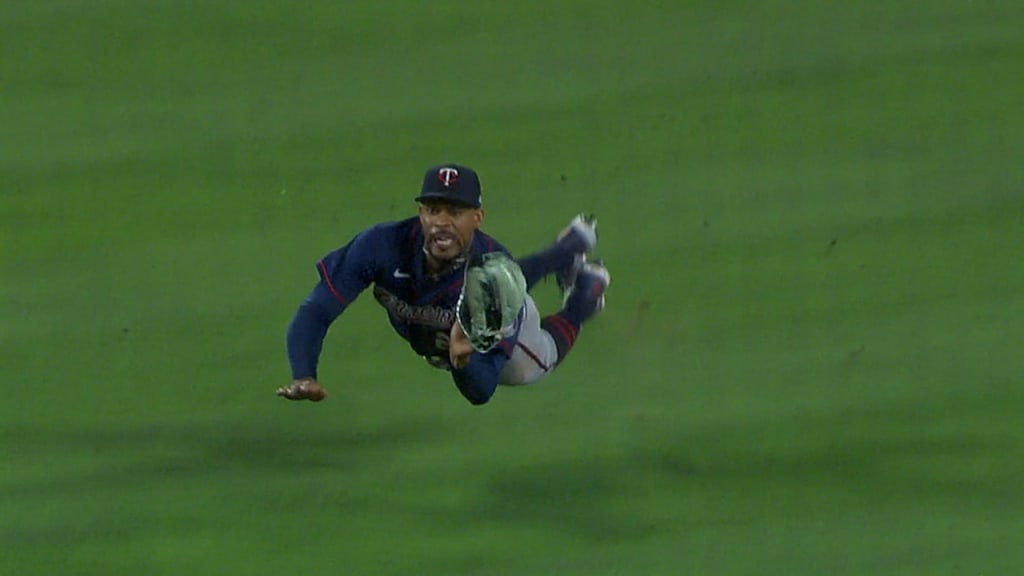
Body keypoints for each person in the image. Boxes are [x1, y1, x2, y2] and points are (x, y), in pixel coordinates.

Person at [277, 163, 610, 405]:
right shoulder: (381, 245)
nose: (441, 223)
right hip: (457, 310)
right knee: (502, 275)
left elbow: (481, 391)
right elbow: (316, 311)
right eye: (434, 209)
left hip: (504, 313)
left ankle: (585, 296)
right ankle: (567, 250)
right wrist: (303, 373)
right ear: (421, 212)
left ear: (476, 218)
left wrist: (462, 359)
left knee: (536, 364)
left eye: (455, 212)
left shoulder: (494, 274)